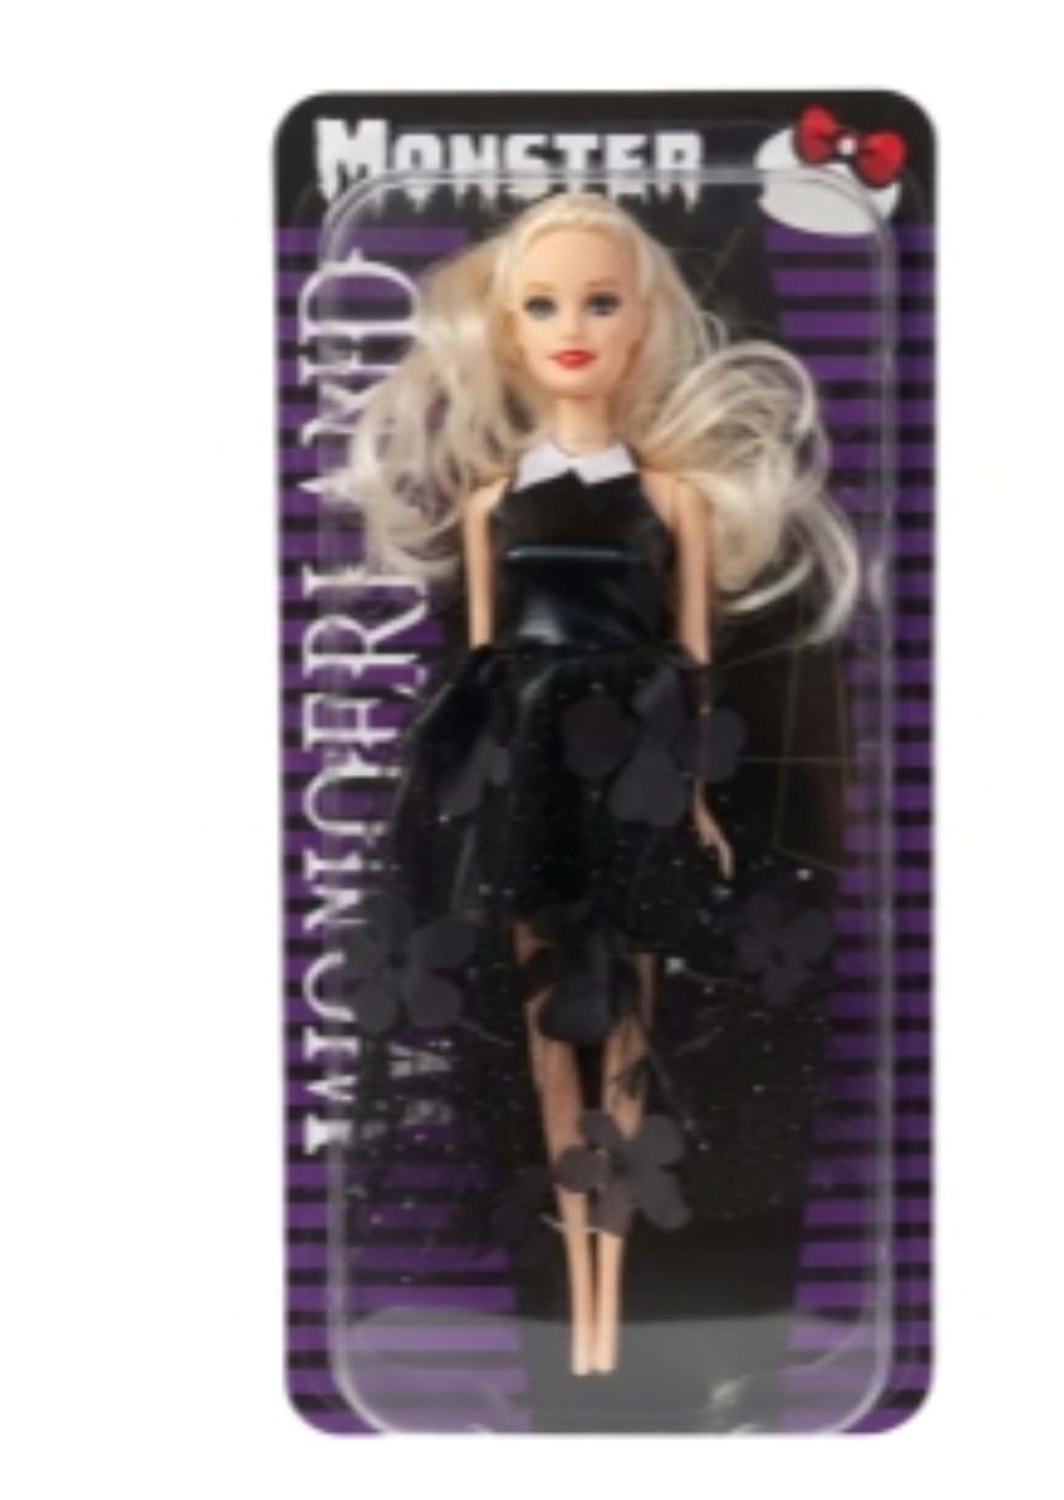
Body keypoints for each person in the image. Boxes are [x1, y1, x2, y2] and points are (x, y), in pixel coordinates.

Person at [335, 190, 861, 1393]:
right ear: (505, 331)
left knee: (626, 1035)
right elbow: (480, 667)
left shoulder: (671, 500)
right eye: (542, 305)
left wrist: (699, 801)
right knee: (544, 1041)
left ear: (642, 323)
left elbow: (694, 664)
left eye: (600, 302)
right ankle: (573, 1300)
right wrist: (455, 812)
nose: (572, 328)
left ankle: (612, 1300)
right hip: (526, 780)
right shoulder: (493, 503)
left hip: (633, 776)